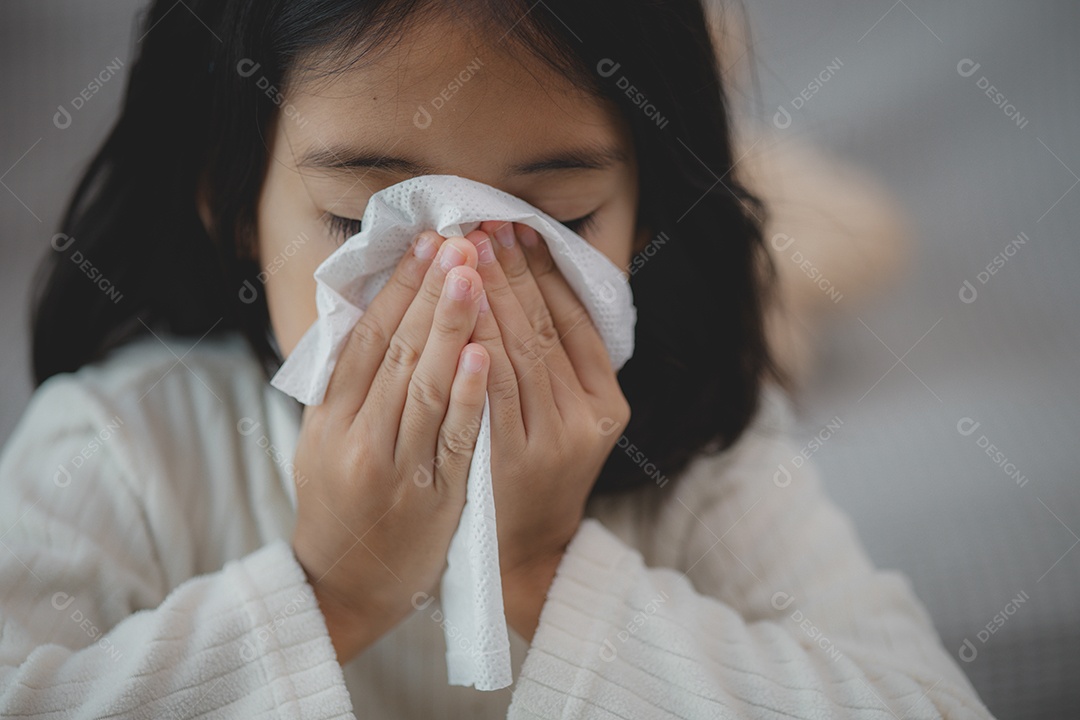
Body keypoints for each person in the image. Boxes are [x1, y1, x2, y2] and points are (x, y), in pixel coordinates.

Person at [0, 0, 993, 717]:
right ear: (234, 208)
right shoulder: (124, 449)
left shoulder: (700, 459)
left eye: (559, 220)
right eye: (361, 220)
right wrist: (332, 591)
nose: (463, 288)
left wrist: (541, 567)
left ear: (644, 222)